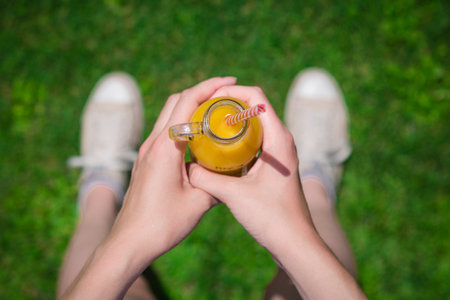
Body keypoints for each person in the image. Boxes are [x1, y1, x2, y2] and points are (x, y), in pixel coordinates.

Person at [57, 70, 367, 300]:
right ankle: (312, 186)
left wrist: (126, 242)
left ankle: (101, 188)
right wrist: (296, 238)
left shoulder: (241, 122)